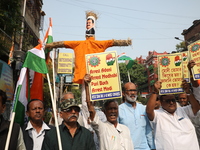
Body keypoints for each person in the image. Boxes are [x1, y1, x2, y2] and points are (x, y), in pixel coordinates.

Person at [146, 79, 200, 150]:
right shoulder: (158, 114)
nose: (171, 103)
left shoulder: (184, 110)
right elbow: (149, 111)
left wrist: (188, 92)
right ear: (161, 102)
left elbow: (196, 107)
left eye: (173, 100)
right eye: (168, 101)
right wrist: (155, 92)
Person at [84, 74, 134, 150]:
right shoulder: (102, 127)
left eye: (115, 108)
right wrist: (87, 86)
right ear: (104, 111)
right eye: (110, 109)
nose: (113, 111)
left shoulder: (125, 129)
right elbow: (91, 109)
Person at [118, 82, 155, 150]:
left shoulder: (143, 108)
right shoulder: (119, 110)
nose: (133, 93)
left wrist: (152, 147)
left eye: (134, 90)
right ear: (123, 93)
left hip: (145, 148)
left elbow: (148, 130)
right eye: (130, 90)